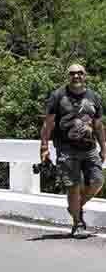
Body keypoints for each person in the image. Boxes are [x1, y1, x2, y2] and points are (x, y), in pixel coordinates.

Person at [40, 64, 106, 238]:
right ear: (68, 76)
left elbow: (98, 125)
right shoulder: (58, 96)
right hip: (67, 149)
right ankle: (77, 223)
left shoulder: (94, 97)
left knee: (97, 182)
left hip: (90, 149)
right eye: (72, 73)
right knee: (73, 187)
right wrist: (44, 147)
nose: (76, 76)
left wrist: (104, 148)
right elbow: (49, 123)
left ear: (85, 75)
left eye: (79, 73)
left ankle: (75, 207)